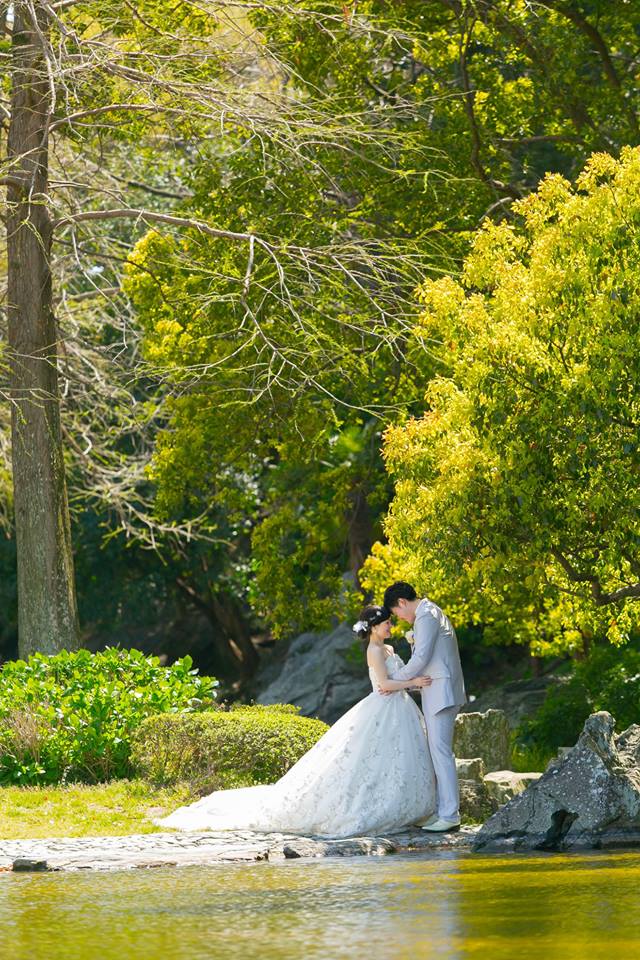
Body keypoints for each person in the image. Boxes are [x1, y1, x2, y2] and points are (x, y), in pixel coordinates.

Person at [156, 606, 436, 838]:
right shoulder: (374, 652)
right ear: (373, 627)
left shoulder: (387, 649)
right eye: (386, 623)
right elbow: (384, 685)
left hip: (399, 710)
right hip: (383, 708)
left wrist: (413, 682)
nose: (390, 626)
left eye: (389, 622)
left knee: (390, 761)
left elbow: (396, 679)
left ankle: (404, 805)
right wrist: (413, 682)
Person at [383, 582, 467, 832]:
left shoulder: (426, 615)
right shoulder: (429, 612)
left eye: (396, 613)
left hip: (441, 691)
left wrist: (395, 680)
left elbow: (421, 658)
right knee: (437, 751)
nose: (399, 618)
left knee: (441, 752)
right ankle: (444, 810)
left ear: (401, 603)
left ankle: (450, 815)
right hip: (438, 690)